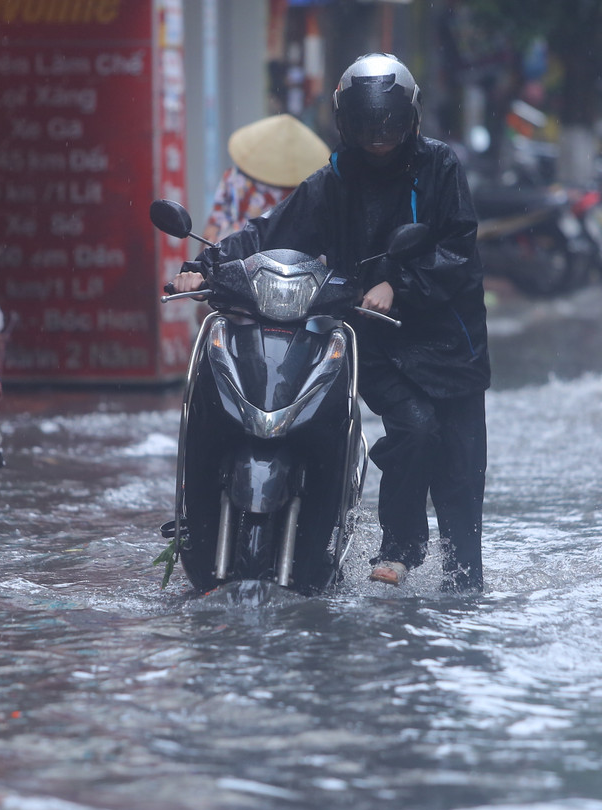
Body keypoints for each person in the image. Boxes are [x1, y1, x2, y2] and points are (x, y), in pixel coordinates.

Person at [171, 53, 489, 592]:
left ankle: (463, 590)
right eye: (367, 127)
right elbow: (269, 232)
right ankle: (399, 549)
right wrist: (203, 264)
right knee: (415, 428)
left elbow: (457, 250)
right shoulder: (332, 181)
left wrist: (401, 284)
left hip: (447, 343)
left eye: (389, 126)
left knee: (459, 479)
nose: (379, 139)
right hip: (374, 336)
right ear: (347, 124)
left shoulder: (441, 166)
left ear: (410, 120)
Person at [202, 114, 331, 243]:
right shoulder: (304, 189)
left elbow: (214, 225)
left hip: (237, 250)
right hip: (289, 255)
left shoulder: (234, 177)